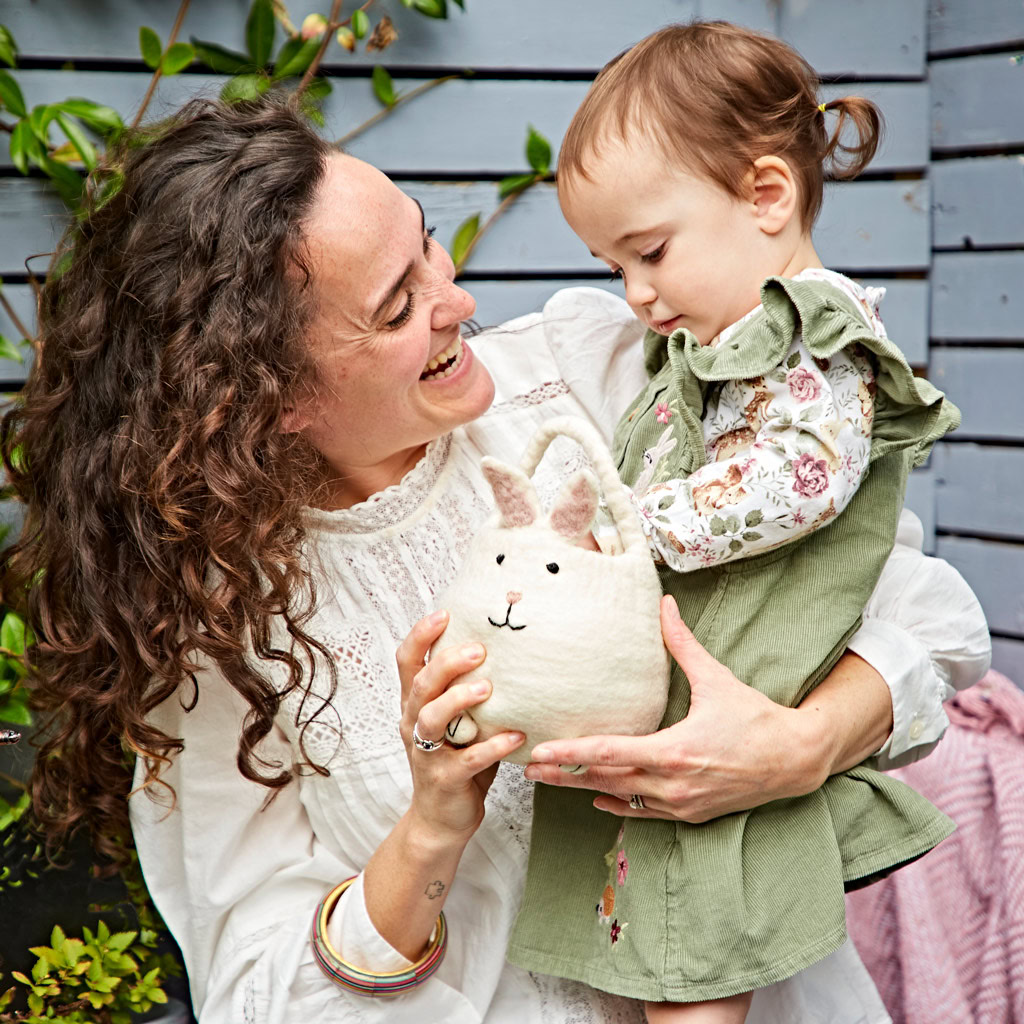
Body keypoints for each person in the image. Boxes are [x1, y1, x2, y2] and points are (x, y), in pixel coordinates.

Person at [0, 95, 989, 1024]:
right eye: (396, 308)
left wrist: (792, 748)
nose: (458, 299)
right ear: (266, 397)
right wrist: (430, 828)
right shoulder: (220, 626)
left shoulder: (592, 372)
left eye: (425, 241)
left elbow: (922, 610)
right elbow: (257, 990)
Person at [504, 22, 961, 1024]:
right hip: (701, 707)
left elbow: (798, 475)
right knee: (660, 953)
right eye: (611, 263)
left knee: (695, 960)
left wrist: (632, 529)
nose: (635, 294)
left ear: (766, 196)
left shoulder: (815, 333)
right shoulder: (717, 342)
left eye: (650, 252)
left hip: (750, 692)